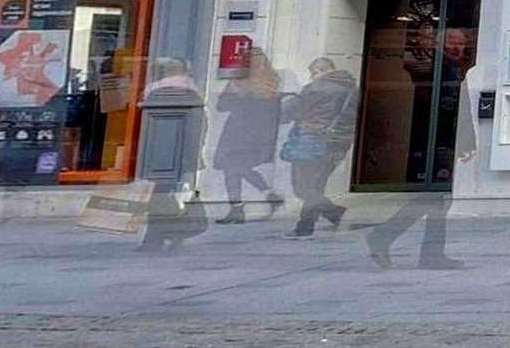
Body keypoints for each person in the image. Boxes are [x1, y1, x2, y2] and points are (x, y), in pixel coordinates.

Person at [363, 61, 471, 270]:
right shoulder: (441, 75)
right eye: (453, 42)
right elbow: (448, 115)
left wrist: (466, 142)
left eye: (461, 43)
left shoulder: (449, 74)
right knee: (433, 198)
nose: (459, 47)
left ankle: (427, 252)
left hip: (442, 143)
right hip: (437, 145)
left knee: (436, 200)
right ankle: (388, 239)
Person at [133, 59, 205, 251]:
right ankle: (163, 235)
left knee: (159, 194)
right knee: (168, 193)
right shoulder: (194, 91)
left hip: (157, 153)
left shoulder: (153, 91)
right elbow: (201, 127)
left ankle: (160, 236)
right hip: (183, 153)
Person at [281, 58, 358, 237]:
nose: (312, 77)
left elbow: (287, 112)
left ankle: (313, 223)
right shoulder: (352, 89)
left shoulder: (315, 89)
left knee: (302, 187)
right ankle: (326, 216)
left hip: (312, 142)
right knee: (316, 185)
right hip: (340, 143)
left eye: (313, 73)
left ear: (318, 71)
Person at [208, 53, 283, 224]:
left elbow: (225, 105)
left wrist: (239, 95)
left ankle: (251, 203)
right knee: (231, 168)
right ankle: (242, 207)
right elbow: (221, 105)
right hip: (244, 130)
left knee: (235, 166)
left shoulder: (265, 81)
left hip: (247, 131)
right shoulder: (246, 81)